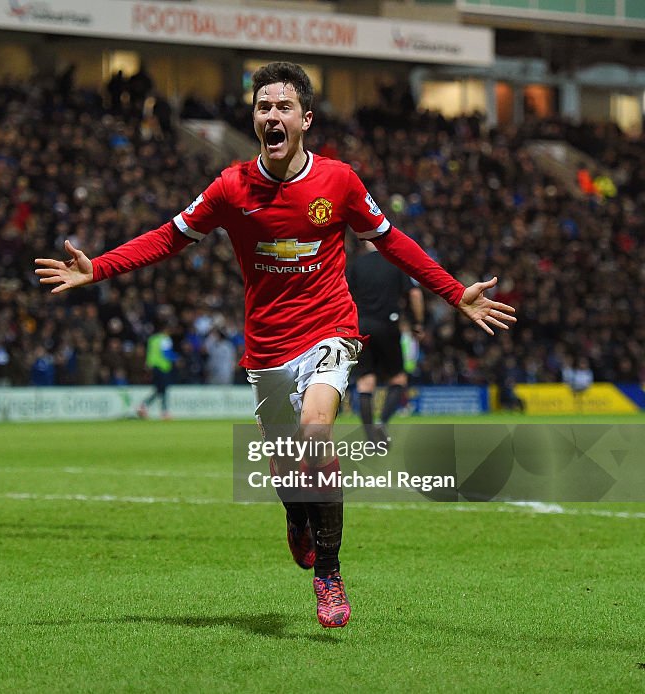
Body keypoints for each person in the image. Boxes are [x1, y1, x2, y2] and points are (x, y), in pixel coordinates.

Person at [36, 62, 516, 629]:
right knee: (287, 465)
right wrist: (99, 269)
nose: (272, 115)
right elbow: (169, 237)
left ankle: (330, 576)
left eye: (283, 107)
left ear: (305, 119)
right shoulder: (230, 187)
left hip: (330, 330)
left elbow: (393, 243)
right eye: (263, 107)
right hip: (267, 346)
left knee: (318, 433)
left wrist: (455, 292)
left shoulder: (339, 182)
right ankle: (296, 516)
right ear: (254, 118)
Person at [346, 240, 424, 445]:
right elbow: (415, 293)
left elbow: (344, 295)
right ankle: (381, 422)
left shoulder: (356, 265)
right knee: (398, 378)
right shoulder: (395, 262)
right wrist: (417, 323)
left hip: (360, 327)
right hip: (388, 325)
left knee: (365, 381)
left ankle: (370, 437)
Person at [137, 319, 177, 420]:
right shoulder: (165, 339)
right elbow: (166, 353)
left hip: (154, 367)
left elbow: (149, 354)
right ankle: (164, 412)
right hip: (163, 367)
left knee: (159, 389)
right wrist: (177, 358)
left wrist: (148, 365)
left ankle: (143, 406)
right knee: (163, 390)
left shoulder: (152, 339)